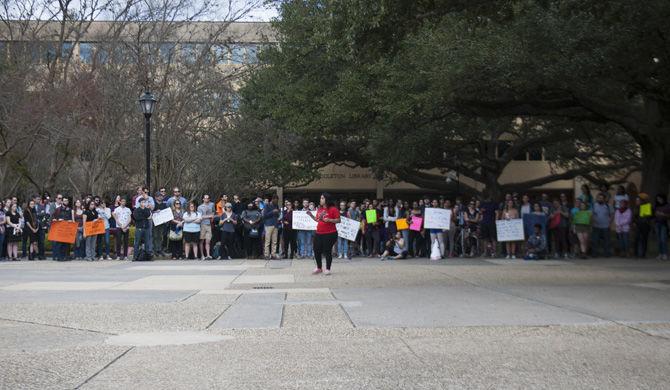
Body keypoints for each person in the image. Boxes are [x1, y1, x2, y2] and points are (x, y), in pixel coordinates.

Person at [307, 193, 340, 275]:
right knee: (316, 250)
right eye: (320, 198)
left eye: (322, 198)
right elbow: (318, 220)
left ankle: (328, 268)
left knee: (327, 250)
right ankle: (319, 268)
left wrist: (329, 220)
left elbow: (338, 220)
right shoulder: (320, 209)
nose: (320, 200)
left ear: (326, 199)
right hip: (319, 233)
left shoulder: (333, 209)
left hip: (330, 233)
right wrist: (311, 215)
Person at [591, 193, 613, 257]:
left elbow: (612, 215)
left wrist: (609, 223)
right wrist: (592, 221)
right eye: (599, 198)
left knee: (607, 241)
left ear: (604, 199)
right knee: (595, 241)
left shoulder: (608, 206)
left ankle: (606, 253)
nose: (600, 199)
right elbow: (591, 214)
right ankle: (594, 254)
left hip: (606, 226)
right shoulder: (594, 205)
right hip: (596, 226)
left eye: (601, 198)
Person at [634, 193, 653, 258]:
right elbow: (635, 216)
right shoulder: (637, 207)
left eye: (638, 200)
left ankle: (643, 254)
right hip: (639, 224)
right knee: (637, 239)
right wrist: (635, 221)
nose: (637, 201)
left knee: (644, 240)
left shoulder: (647, 206)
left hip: (645, 225)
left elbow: (648, 216)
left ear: (642, 200)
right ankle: (636, 253)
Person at [262, 195, 280, 260]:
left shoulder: (276, 206)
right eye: (276, 200)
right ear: (272, 199)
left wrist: (278, 212)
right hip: (268, 225)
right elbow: (264, 216)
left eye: (277, 200)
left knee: (274, 241)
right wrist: (272, 212)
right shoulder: (267, 205)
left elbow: (278, 215)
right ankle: (266, 255)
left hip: (275, 225)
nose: (277, 201)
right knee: (267, 241)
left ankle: (273, 254)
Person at [198, 194, 215, 260]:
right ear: (203, 199)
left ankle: (208, 255)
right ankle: (202, 255)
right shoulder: (200, 207)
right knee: (202, 240)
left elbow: (213, 213)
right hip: (202, 225)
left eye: (208, 198)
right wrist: (209, 216)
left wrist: (212, 217)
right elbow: (200, 216)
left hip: (209, 224)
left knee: (208, 241)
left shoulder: (211, 205)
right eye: (205, 198)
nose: (207, 199)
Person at [152, 192, 168, 257]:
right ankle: (155, 250)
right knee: (155, 236)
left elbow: (166, 213)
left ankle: (160, 249)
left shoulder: (164, 205)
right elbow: (150, 212)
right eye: (158, 196)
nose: (160, 197)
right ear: (155, 197)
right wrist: (155, 211)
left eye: (161, 196)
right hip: (155, 223)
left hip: (162, 223)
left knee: (160, 236)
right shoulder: (154, 204)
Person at [654, 194, 670, 260]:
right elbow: (653, 214)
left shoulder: (667, 205)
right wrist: (656, 214)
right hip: (657, 223)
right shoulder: (656, 205)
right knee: (659, 240)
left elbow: (669, 215)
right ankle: (660, 253)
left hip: (664, 224)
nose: (659, 200)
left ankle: (665, 254)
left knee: (663, 239)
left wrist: (663, 214)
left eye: (660, 199)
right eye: (658, 199)